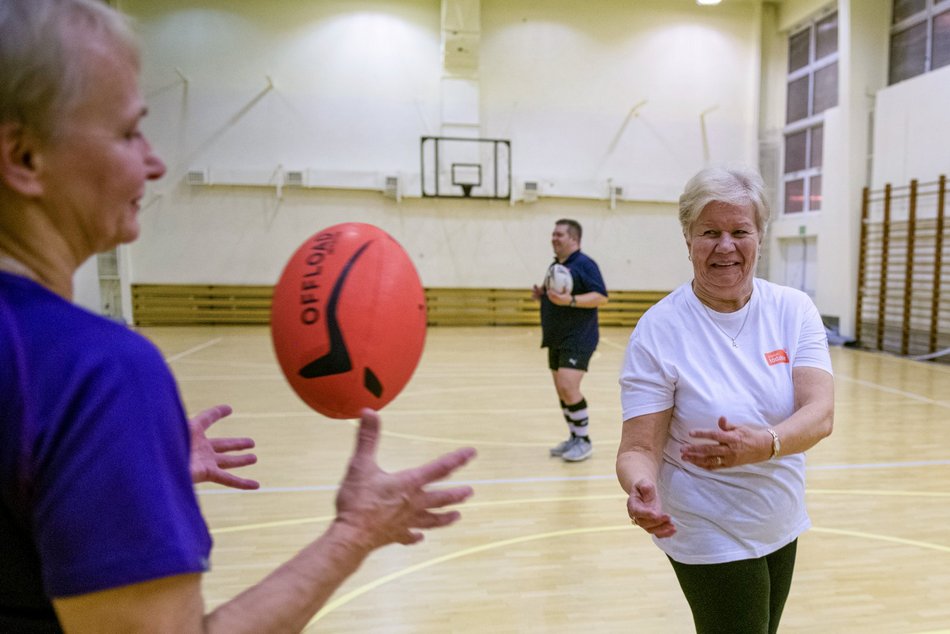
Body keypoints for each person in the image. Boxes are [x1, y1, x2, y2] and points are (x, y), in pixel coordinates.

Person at [0, 1, 476, 631]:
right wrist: (355, 533)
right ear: (24, 157)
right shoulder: (96, 373)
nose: (155, 162)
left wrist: (109, 477)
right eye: (128, 132)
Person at [615, 166, 834, 633]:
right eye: (710, 232)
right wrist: (640, 487)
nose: (726, 246)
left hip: (780, 516)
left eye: (740, 231)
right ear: (688, 238)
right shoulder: (659, 329)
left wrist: (765, 444)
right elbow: (638, 448)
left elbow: (820, 414)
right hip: (704, 524)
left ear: (760, 236)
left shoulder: (793, 311)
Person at [532, 219, 608, 462]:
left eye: (559, 235)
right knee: (562, 391)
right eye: (553, 234)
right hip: (555, 335)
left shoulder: (585, 264)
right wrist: (542, 296)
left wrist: (572, 301)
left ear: (574, 239)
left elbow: (600, 296)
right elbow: (556, 296)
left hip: (578, 336)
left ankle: (584, 441)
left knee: (568, 386)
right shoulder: (556, 265)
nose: (554, 238)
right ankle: (574, 437)